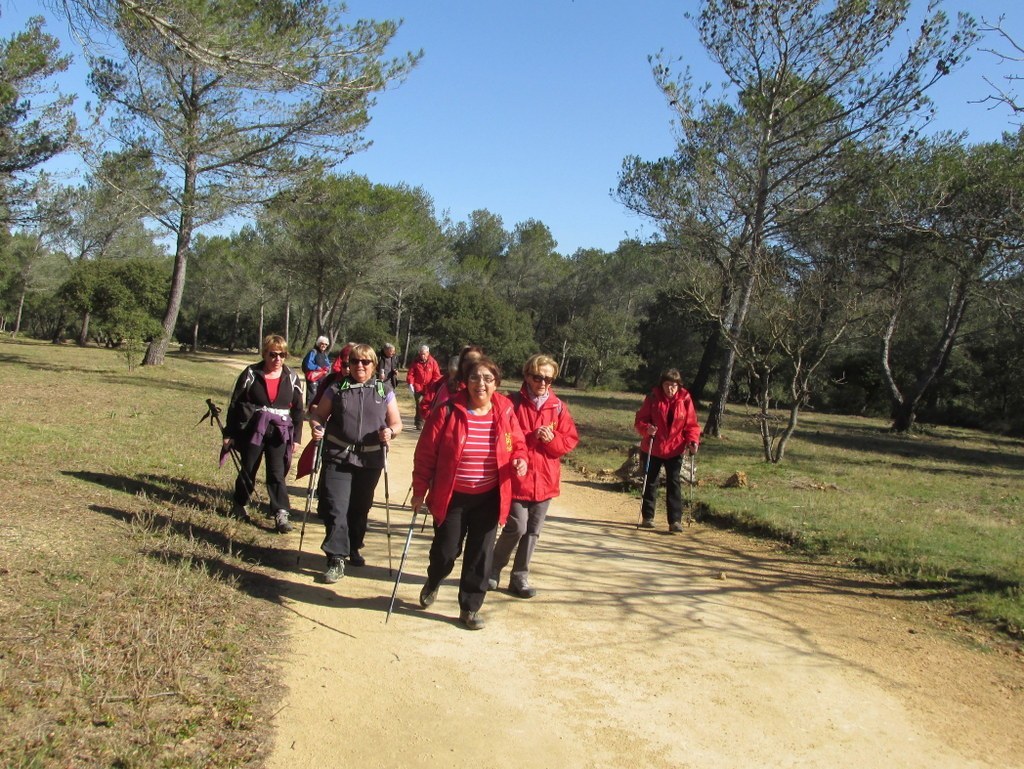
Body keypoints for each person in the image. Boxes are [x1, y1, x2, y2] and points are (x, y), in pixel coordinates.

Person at [411, 357, 527, 630]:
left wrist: (520, 458)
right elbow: (426, 453)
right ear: (466, 381)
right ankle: (435, 578)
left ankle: (470, 608)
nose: (481, 384)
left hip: (489, 496)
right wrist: (419, 490)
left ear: (497, 383)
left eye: (488, 379)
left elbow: (516, 442)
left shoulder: (506, 410)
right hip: (452, 496)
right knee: (446, 551)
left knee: (480, 555)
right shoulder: (448, 410)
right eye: (475, 378)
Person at [307, 343, 402, 583]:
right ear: (348, 365)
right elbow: (318, 413)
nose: (359, 366)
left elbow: (397, 423)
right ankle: (336, 557)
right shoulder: (337, 387)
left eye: (365, 362)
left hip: (370, 459)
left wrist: (390, 432)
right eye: (354, 362)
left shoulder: (384, 390)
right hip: (338, 455)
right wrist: (316, 426)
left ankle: (353, 546)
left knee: (359, 509)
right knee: (336, 507)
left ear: (373, 365)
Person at [490, 354, 579, 598]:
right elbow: (504, 437)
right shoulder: (512, 403)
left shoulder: (558, 406)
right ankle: (493, 569)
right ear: (527, 375)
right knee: (516, 527)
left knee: (533, 531)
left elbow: (569, 441)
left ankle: (520, 577)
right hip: (517, 477)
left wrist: (553, 440)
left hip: (546, 480)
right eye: (538, 377)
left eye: (548, 379)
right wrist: (530, 437)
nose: (542, 383)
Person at [223, 334, 304, 533]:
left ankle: (281, 513)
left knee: (277, 473)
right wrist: (229, 433)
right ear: (264, 354)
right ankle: (240, 503)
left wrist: (297, 438)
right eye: (273, 354)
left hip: (279, 432)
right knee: (248, 467)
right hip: (253, 430)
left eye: (282, 355)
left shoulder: (291, 376)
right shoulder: (251, 373)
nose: (278, 359)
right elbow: (235, 404)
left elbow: (299, 410)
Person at [634, 368, 701, 533]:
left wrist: (693, 441)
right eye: (667, 384)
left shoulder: (685, 400)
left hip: (675, 448)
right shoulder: (652, 398)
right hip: (653, 446)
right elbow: (640, 420)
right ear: (662, 385)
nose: (670, 388)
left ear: (679, 386)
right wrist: (646, 429)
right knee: (650, 482)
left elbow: (691, 425)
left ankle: (675, 521)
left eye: (673, 385)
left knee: (674, 483)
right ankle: (648, 517)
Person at [406, 344, 442, 430]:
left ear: (428, 353)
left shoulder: (433, 362)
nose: (422, 356)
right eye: (421, 354)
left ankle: (428, 422)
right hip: (418, 387)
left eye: (424, 354)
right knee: (419, 404)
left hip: (429, 388)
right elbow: (411, 374)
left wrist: (433, 385)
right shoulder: (415, 362)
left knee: (429, 405)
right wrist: (411, 383)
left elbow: (437, 376)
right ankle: (419, 422)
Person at [301, 336, 332, 407]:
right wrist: (318, 367)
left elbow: (327, 364)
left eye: (326, 344)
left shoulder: (324, 354)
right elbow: (308, 364)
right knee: (312, 395)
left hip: (322, 378)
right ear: (318, 343)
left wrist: (327, 368)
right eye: (322, 343)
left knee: (320, 395)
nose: (324, 345)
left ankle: (316, 412)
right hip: (313, 378)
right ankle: (308, 412)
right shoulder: (313, 352)